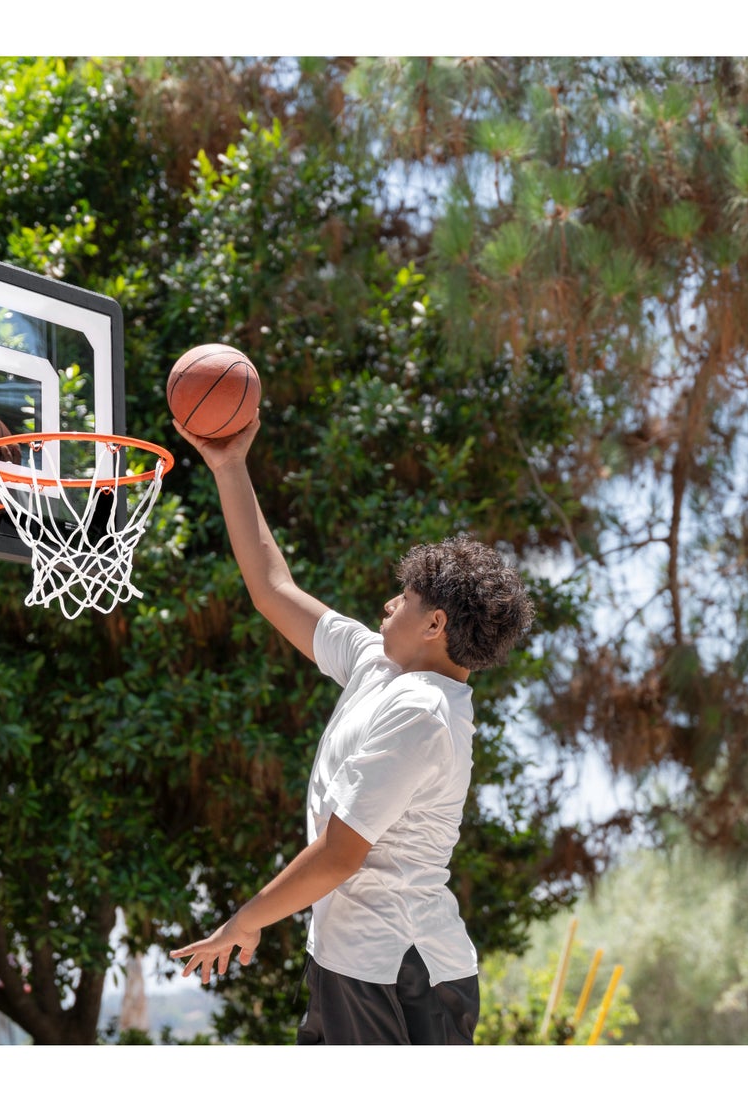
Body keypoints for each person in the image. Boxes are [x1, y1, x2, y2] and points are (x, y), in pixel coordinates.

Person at [168, 414, 535, 1044]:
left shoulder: (423, 711)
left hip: (400, 971)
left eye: (406, 597)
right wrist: (229, 466)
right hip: (357, 960)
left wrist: (246, 921)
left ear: (435, 624)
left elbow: (342, 853)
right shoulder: (378, 666)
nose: (389, 603)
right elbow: (272, 587)